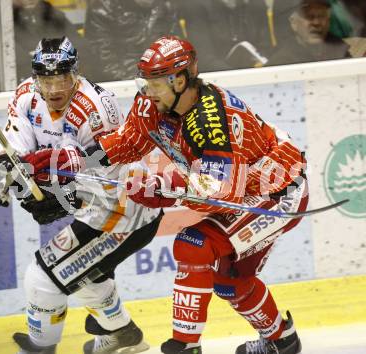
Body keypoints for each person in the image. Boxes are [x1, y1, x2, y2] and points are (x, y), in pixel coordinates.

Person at [26, 36, 309, 354]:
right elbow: (128, 142)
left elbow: (218, 191)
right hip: (244, 192)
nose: (147, 90)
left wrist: (164, 187)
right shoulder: (152, 103)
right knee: (232, 283)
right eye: (145, 81)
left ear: (181, 79)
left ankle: (186, 346)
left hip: (277, 191)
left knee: (194, 245)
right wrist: (70, 160)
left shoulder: (211, 122)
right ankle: (282, 341)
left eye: (156, 83)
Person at [0, 36, 162, 354]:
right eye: (46, 79)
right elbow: (17, 151)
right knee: (88, 277)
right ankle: (123, 337)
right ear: (36, 77)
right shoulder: (26, 96)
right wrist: (7, 170)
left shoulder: (96, 109)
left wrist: (61, 193)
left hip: (126, 212)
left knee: (42, 280)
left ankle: (40, 349)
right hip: (100, 212)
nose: (54, 89)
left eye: (62, 78)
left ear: (75, 74)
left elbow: (109, 178)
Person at [83, 0, 179, 82]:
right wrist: (141, 82)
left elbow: (175, 46)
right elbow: (102, 61)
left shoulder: (165, 4)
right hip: (120, 82)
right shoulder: (102, 8)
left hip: (161, 76)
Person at [268, 0, 350, 66]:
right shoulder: (282, 62)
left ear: (328, 21)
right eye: (308, 16)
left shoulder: (341, 51)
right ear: (293, 23)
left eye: (321, 15)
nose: (316, 22)